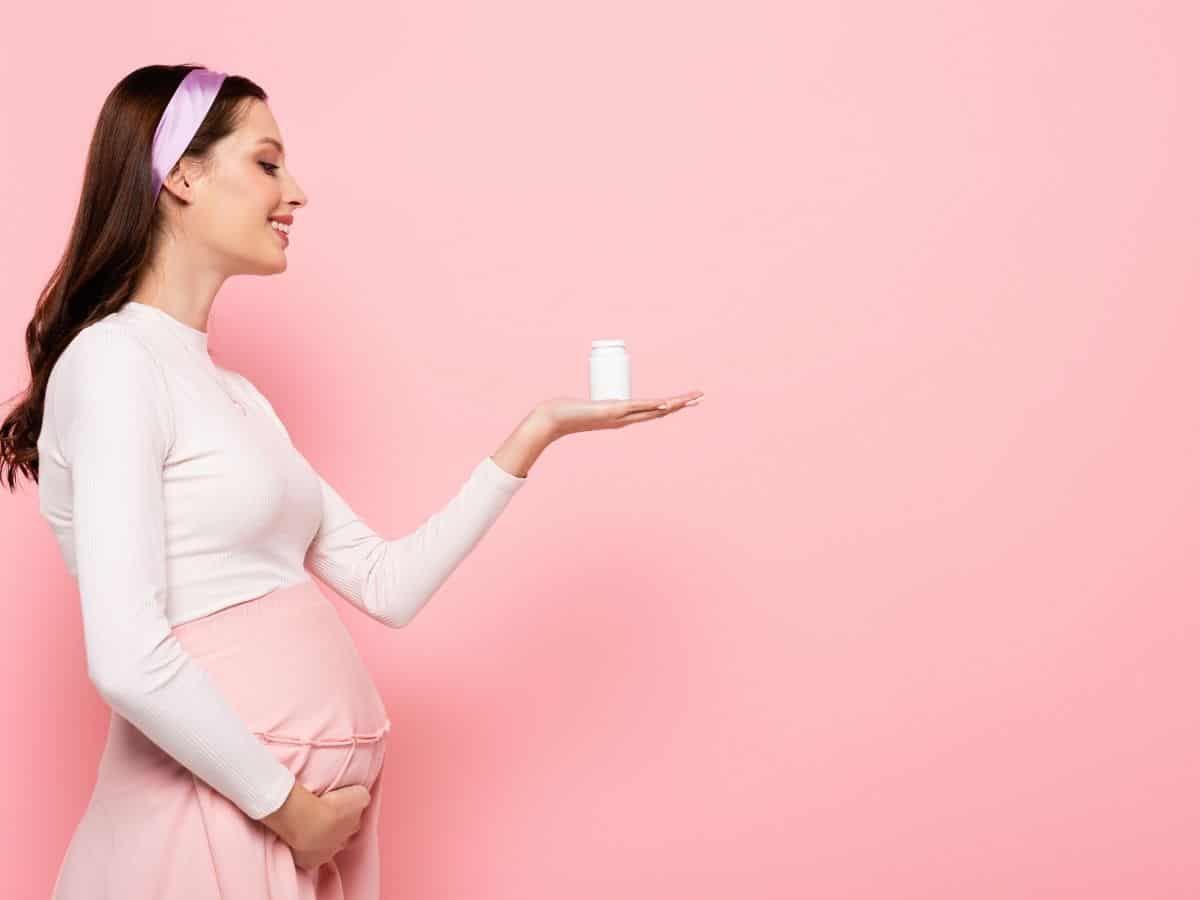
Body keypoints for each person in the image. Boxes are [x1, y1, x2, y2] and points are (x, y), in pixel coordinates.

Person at [0, 63, 703, 898]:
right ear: (182, 175)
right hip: (210, 825)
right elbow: (124, 657)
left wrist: (536, 433)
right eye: (267, 163)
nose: (294, 191)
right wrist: (291, 811)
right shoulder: (115, 363)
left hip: (292, 832)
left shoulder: (234, 396)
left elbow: (385, 583)